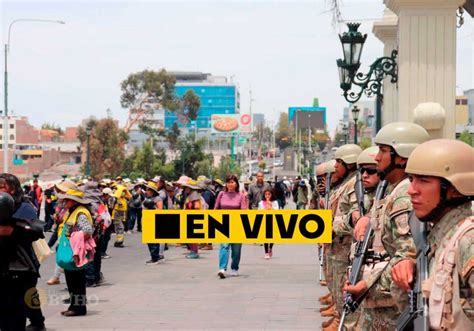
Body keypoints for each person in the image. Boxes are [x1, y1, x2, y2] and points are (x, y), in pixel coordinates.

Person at [349, 122, 430, 330]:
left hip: (391, 304)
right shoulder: (394, 190)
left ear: (402, 156)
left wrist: (367, 285)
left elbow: (406, 255)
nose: (377, 157)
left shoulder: (404, 194)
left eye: (383, 151)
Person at [395, 139, 473, 330]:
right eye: (411, 179)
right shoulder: (439, 238)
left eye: (423, 180)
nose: (412, 190)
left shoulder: (467, 240)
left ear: (454, 188)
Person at [0, 174, 46, 331]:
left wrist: (13, 229)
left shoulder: (23, 207)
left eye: (1, 187)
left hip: (21, 269)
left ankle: (37, 321)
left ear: (12, 189)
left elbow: (37, 229)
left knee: (18, 308)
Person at [56, 186, 94, 317]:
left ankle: (79, 308)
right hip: (70, 250)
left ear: (75, 201)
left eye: (68, 200)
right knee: (71, 281)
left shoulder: (81, 212)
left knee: (77, 282)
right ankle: (73, 306)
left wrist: (74, 239)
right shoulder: (72, 211)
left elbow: (88, 231)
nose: (65, 202)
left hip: (76, 251)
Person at [215, 174, 248, 278]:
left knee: (236, 249)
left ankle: (234, 267)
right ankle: (222, 268)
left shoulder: (241, 196)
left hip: (237, 225)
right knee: (224, 246)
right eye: (228, 182)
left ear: (236, 184)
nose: (230, 184)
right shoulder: (221, 194)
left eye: (232, 182)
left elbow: (244, 211)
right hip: (223, 224)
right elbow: (216, 208)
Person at [143, 181, 164, 265]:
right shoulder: (146, 199)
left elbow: (160, 209)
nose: (147, 191)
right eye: (146, 189)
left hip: (154, 220)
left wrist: (152, 209)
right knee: (149, 241)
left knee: (153, 241)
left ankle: (155, 258)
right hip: (147, 220)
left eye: (148, 190)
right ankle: (153, 257)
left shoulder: (157, 198)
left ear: (152, 191)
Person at [182, 179, 204, 259]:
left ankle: (194, 251)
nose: (186, 189)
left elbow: (197, 207)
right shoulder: (190, 197)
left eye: (187, 187)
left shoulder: (195, 197)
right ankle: (192, 251)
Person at [258, 188, 279, 259]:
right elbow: (259, 212)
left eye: (269, 194)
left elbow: (277, 211)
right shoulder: (261, 203)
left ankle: (270, 247)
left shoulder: (275, 202)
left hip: (273, 221)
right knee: (265, 238)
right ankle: (266, 252)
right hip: (264, 221)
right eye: (266, 194)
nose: (267, 196)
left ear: (271, 195)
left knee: (272, 237)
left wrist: (271, 206)